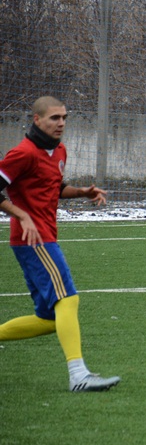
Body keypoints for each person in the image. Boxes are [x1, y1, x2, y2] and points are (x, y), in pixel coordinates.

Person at [0, 96, 120, 392]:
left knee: (49, 319)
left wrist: (82, 192)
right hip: (34, 239)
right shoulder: (23, 153)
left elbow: (53, 188)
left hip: (43, 236)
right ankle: (78, 375)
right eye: (54, 118)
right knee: (68, 299)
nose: (61, 123)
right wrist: (21, 215)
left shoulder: (59, 150)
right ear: (37, 119)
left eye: (64, 117)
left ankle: (79, 374)